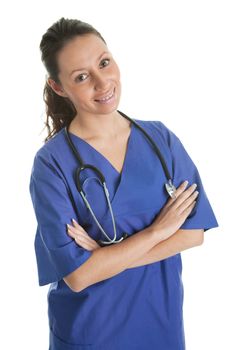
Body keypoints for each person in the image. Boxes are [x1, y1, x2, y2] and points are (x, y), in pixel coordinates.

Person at [29, 17, 219, 350]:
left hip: (161, 325)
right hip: (89, 332)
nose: (103, 83)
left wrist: (105, 256)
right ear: (59, 87)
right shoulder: (51, 164)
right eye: (82, 77)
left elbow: (192, 234)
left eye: (104, 63)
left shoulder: (159, 139)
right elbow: (78, 277)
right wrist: (158, 232)